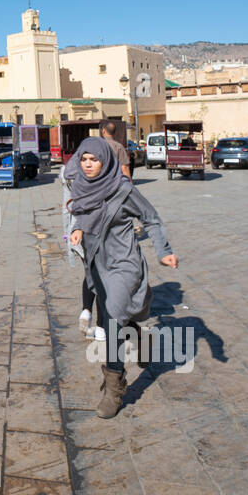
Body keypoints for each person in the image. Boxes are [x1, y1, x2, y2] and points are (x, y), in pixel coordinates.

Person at [64, 137, 177, 419]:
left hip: (124, 263)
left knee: (112, 317)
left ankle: (114, 389)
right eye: (84, 159)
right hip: (97, 263)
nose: (88, 165)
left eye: (94, 160)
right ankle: (139, 336)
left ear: (106, 161)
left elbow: (152, 218)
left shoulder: (122, 189)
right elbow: (83, 213)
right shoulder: (81, 185)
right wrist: (77, 228)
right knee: (111, 319)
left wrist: (164, 251)